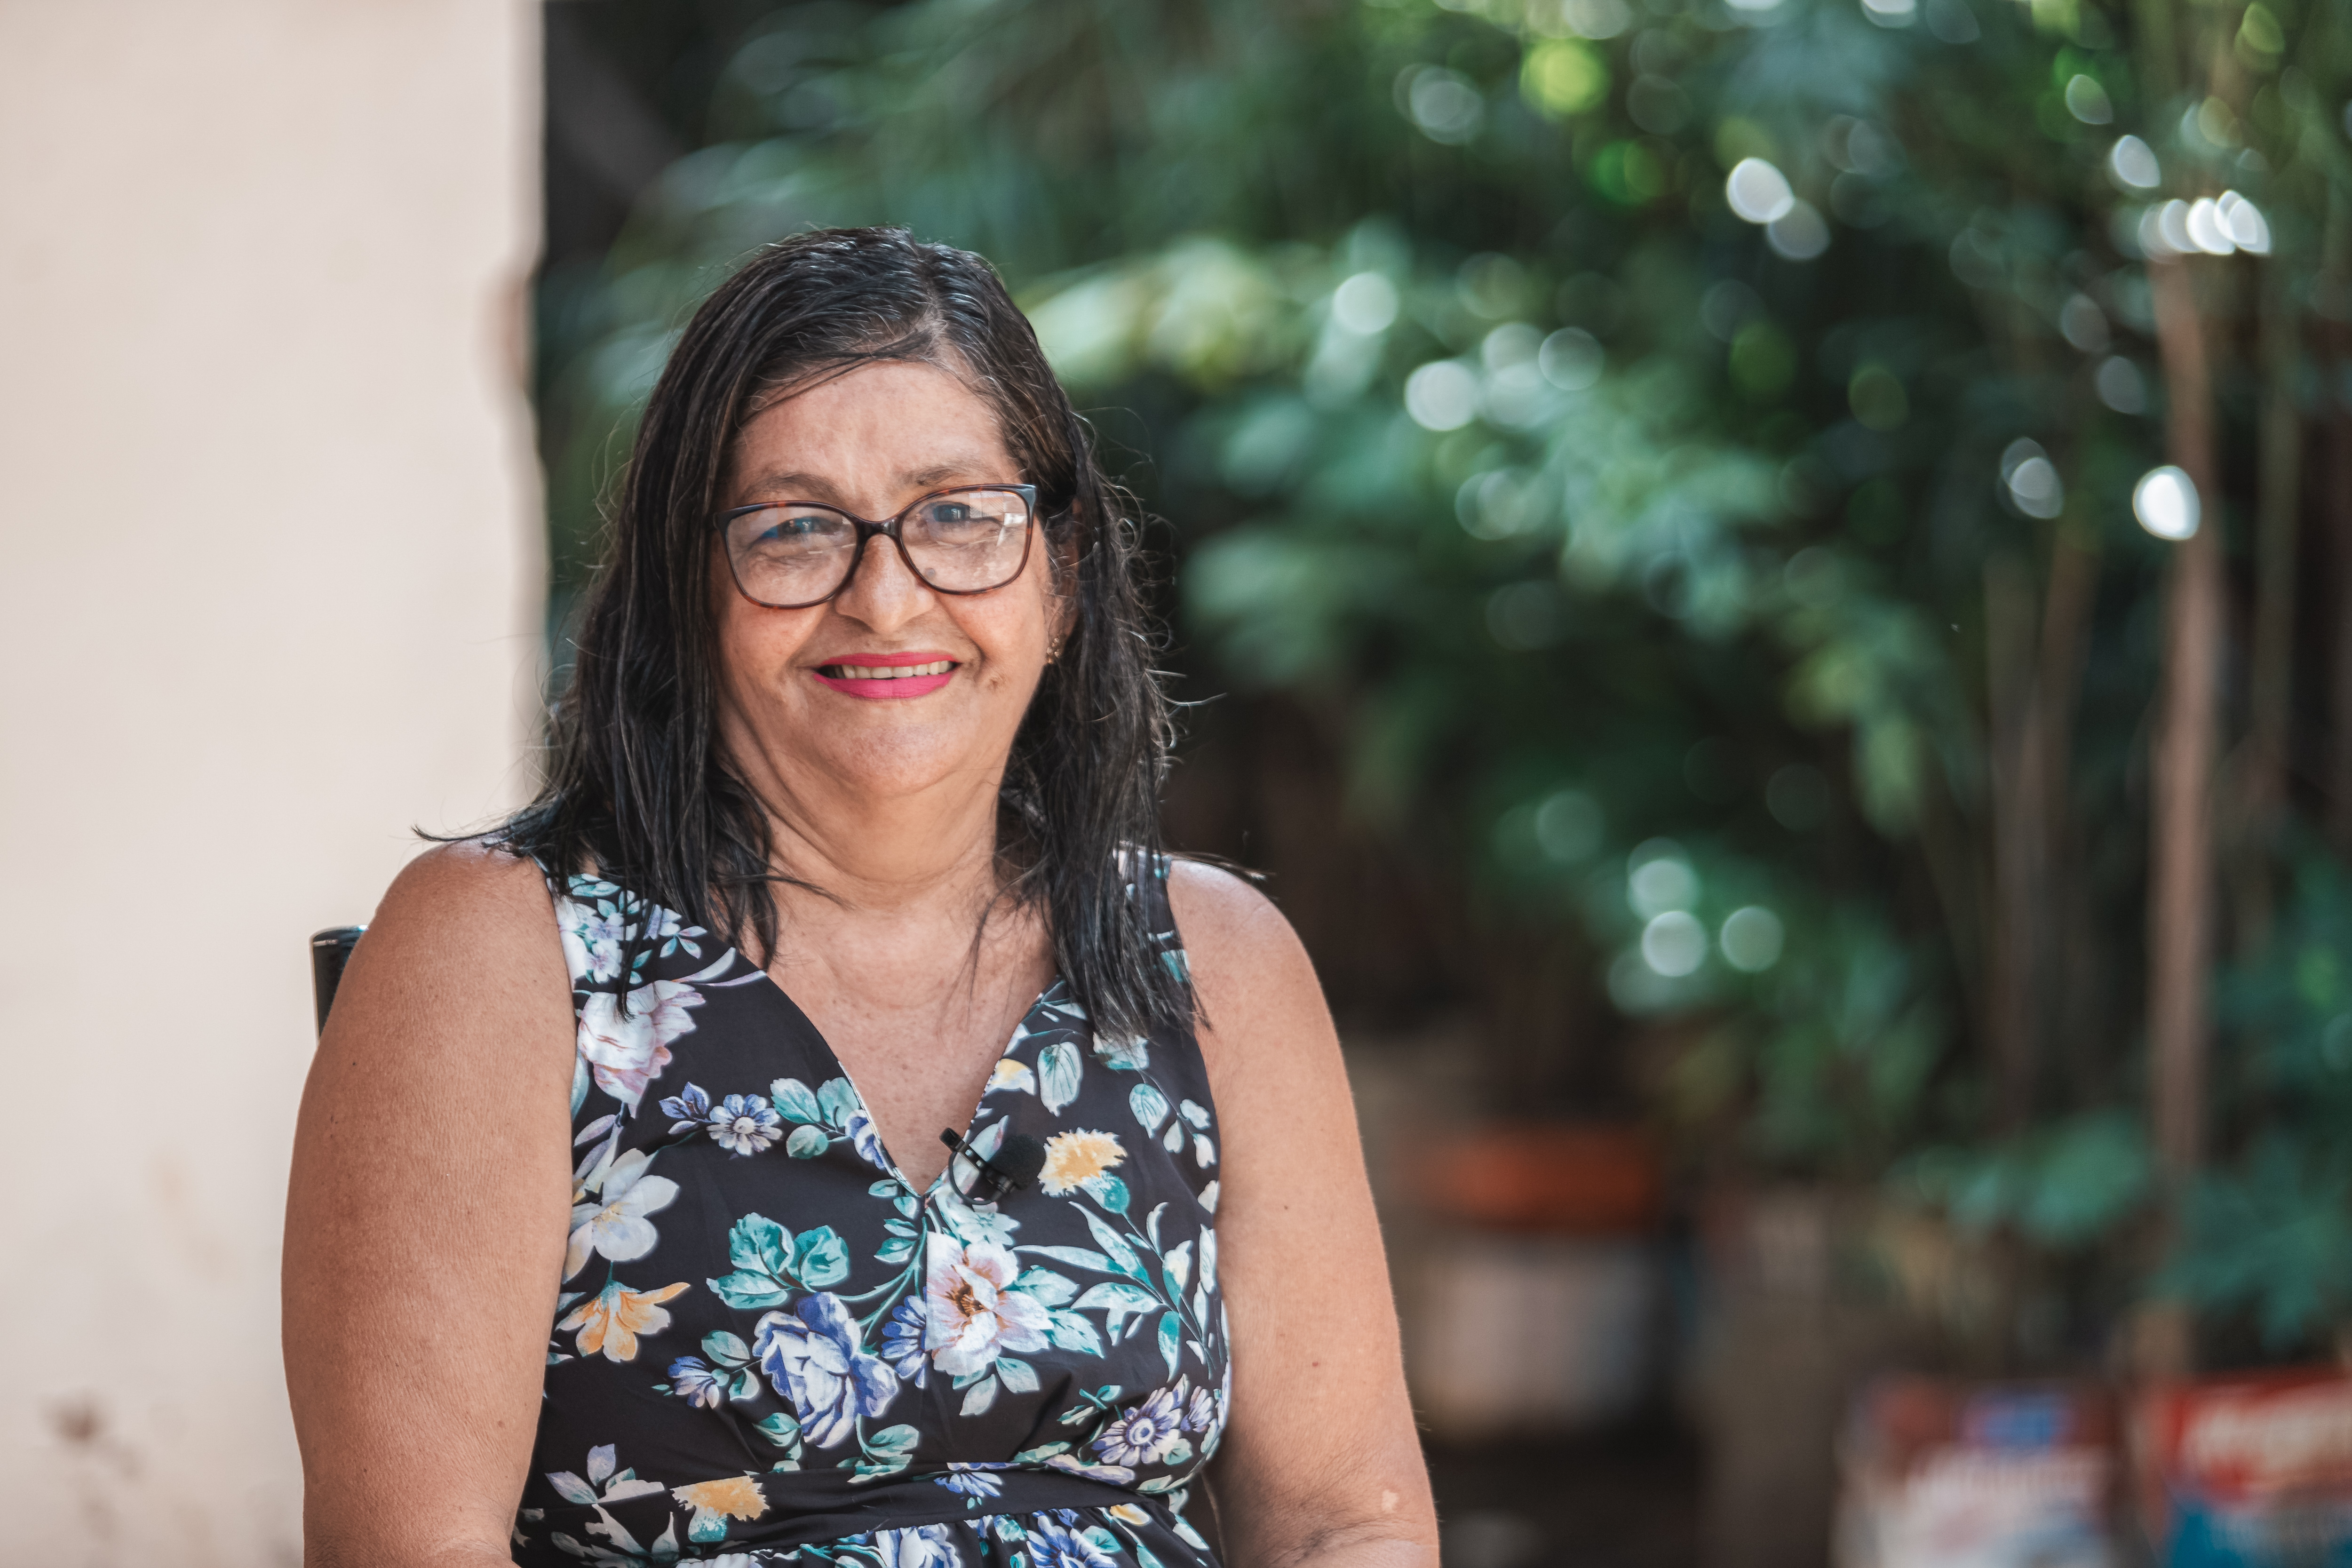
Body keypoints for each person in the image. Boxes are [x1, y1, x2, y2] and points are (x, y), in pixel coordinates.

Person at [283, 228, 1437, 1568]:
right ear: (687, 590)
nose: (886, 599)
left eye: (959, 516)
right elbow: (410, 1549)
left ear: (1061, 578)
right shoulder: (501, 951)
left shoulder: (1213, 961)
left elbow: (1349, 1523)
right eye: (794, 529)